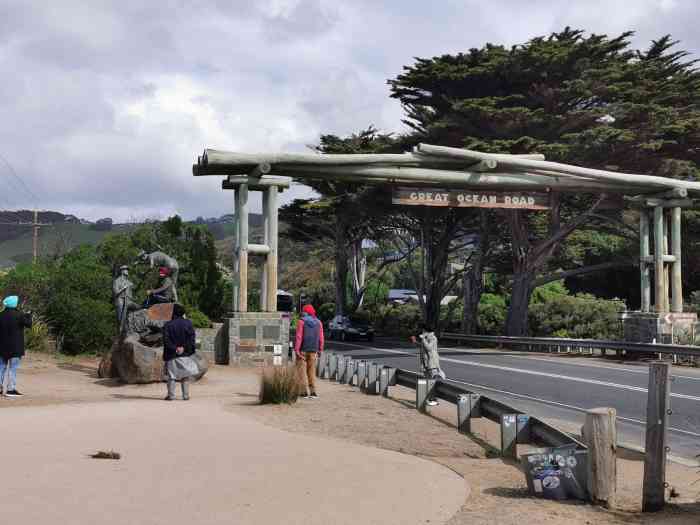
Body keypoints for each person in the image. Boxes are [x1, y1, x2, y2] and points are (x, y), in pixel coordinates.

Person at [162, 304, 197, 401]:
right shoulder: (188, 323)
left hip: (172, 354)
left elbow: (166, 340)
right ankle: (185, 396)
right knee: (185, 375)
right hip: (185, 354)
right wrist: (184, 348)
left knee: (172, 376)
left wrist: (175, 348)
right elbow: (191, 339)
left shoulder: (168, 325)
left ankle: (171, 396)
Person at [0, 295, 32, 397]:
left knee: (1, 367)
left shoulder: (1, 315)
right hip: (15, 347)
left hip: (1, 347)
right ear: (14, 304)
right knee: (12, 368)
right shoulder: (19, 315)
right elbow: (29, 324)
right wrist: (28, 315)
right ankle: (10, 390)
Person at [410, 323, 445, 406]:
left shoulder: (433, 338)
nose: (422, 332)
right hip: (425, 362)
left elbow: (429, 348)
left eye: (423, 330)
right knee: (427, 380)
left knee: (432, 381)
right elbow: (423, 347)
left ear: (426, 330)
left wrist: (423, 339)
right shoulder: (425, 338)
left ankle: (434, 399)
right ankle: (429, 399)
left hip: (432, 362)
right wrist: (415, 342)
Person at [294, 304, 324, 399]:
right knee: (311, 371)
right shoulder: (319, 322)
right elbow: (321, 338)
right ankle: (313, 392)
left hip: (303, 349)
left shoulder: (301, 321)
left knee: (301, 371)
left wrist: (297, 349)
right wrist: (320, 349)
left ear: (304, 312)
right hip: (313, 350)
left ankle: (303, 392)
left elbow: (299, 337)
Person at [112, 265, 140, 333]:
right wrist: (123, 288)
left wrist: (140, 282)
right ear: (122, 271)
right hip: (120, 299)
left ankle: (135, 325)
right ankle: (121, 331)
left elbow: (135, 289)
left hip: (129, 301)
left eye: (127, 269)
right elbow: (115, 293)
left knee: (139, 308)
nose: (127, 271)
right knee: (121, 318)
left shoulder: (129, 282)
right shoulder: (117, 281)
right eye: (126, 269)